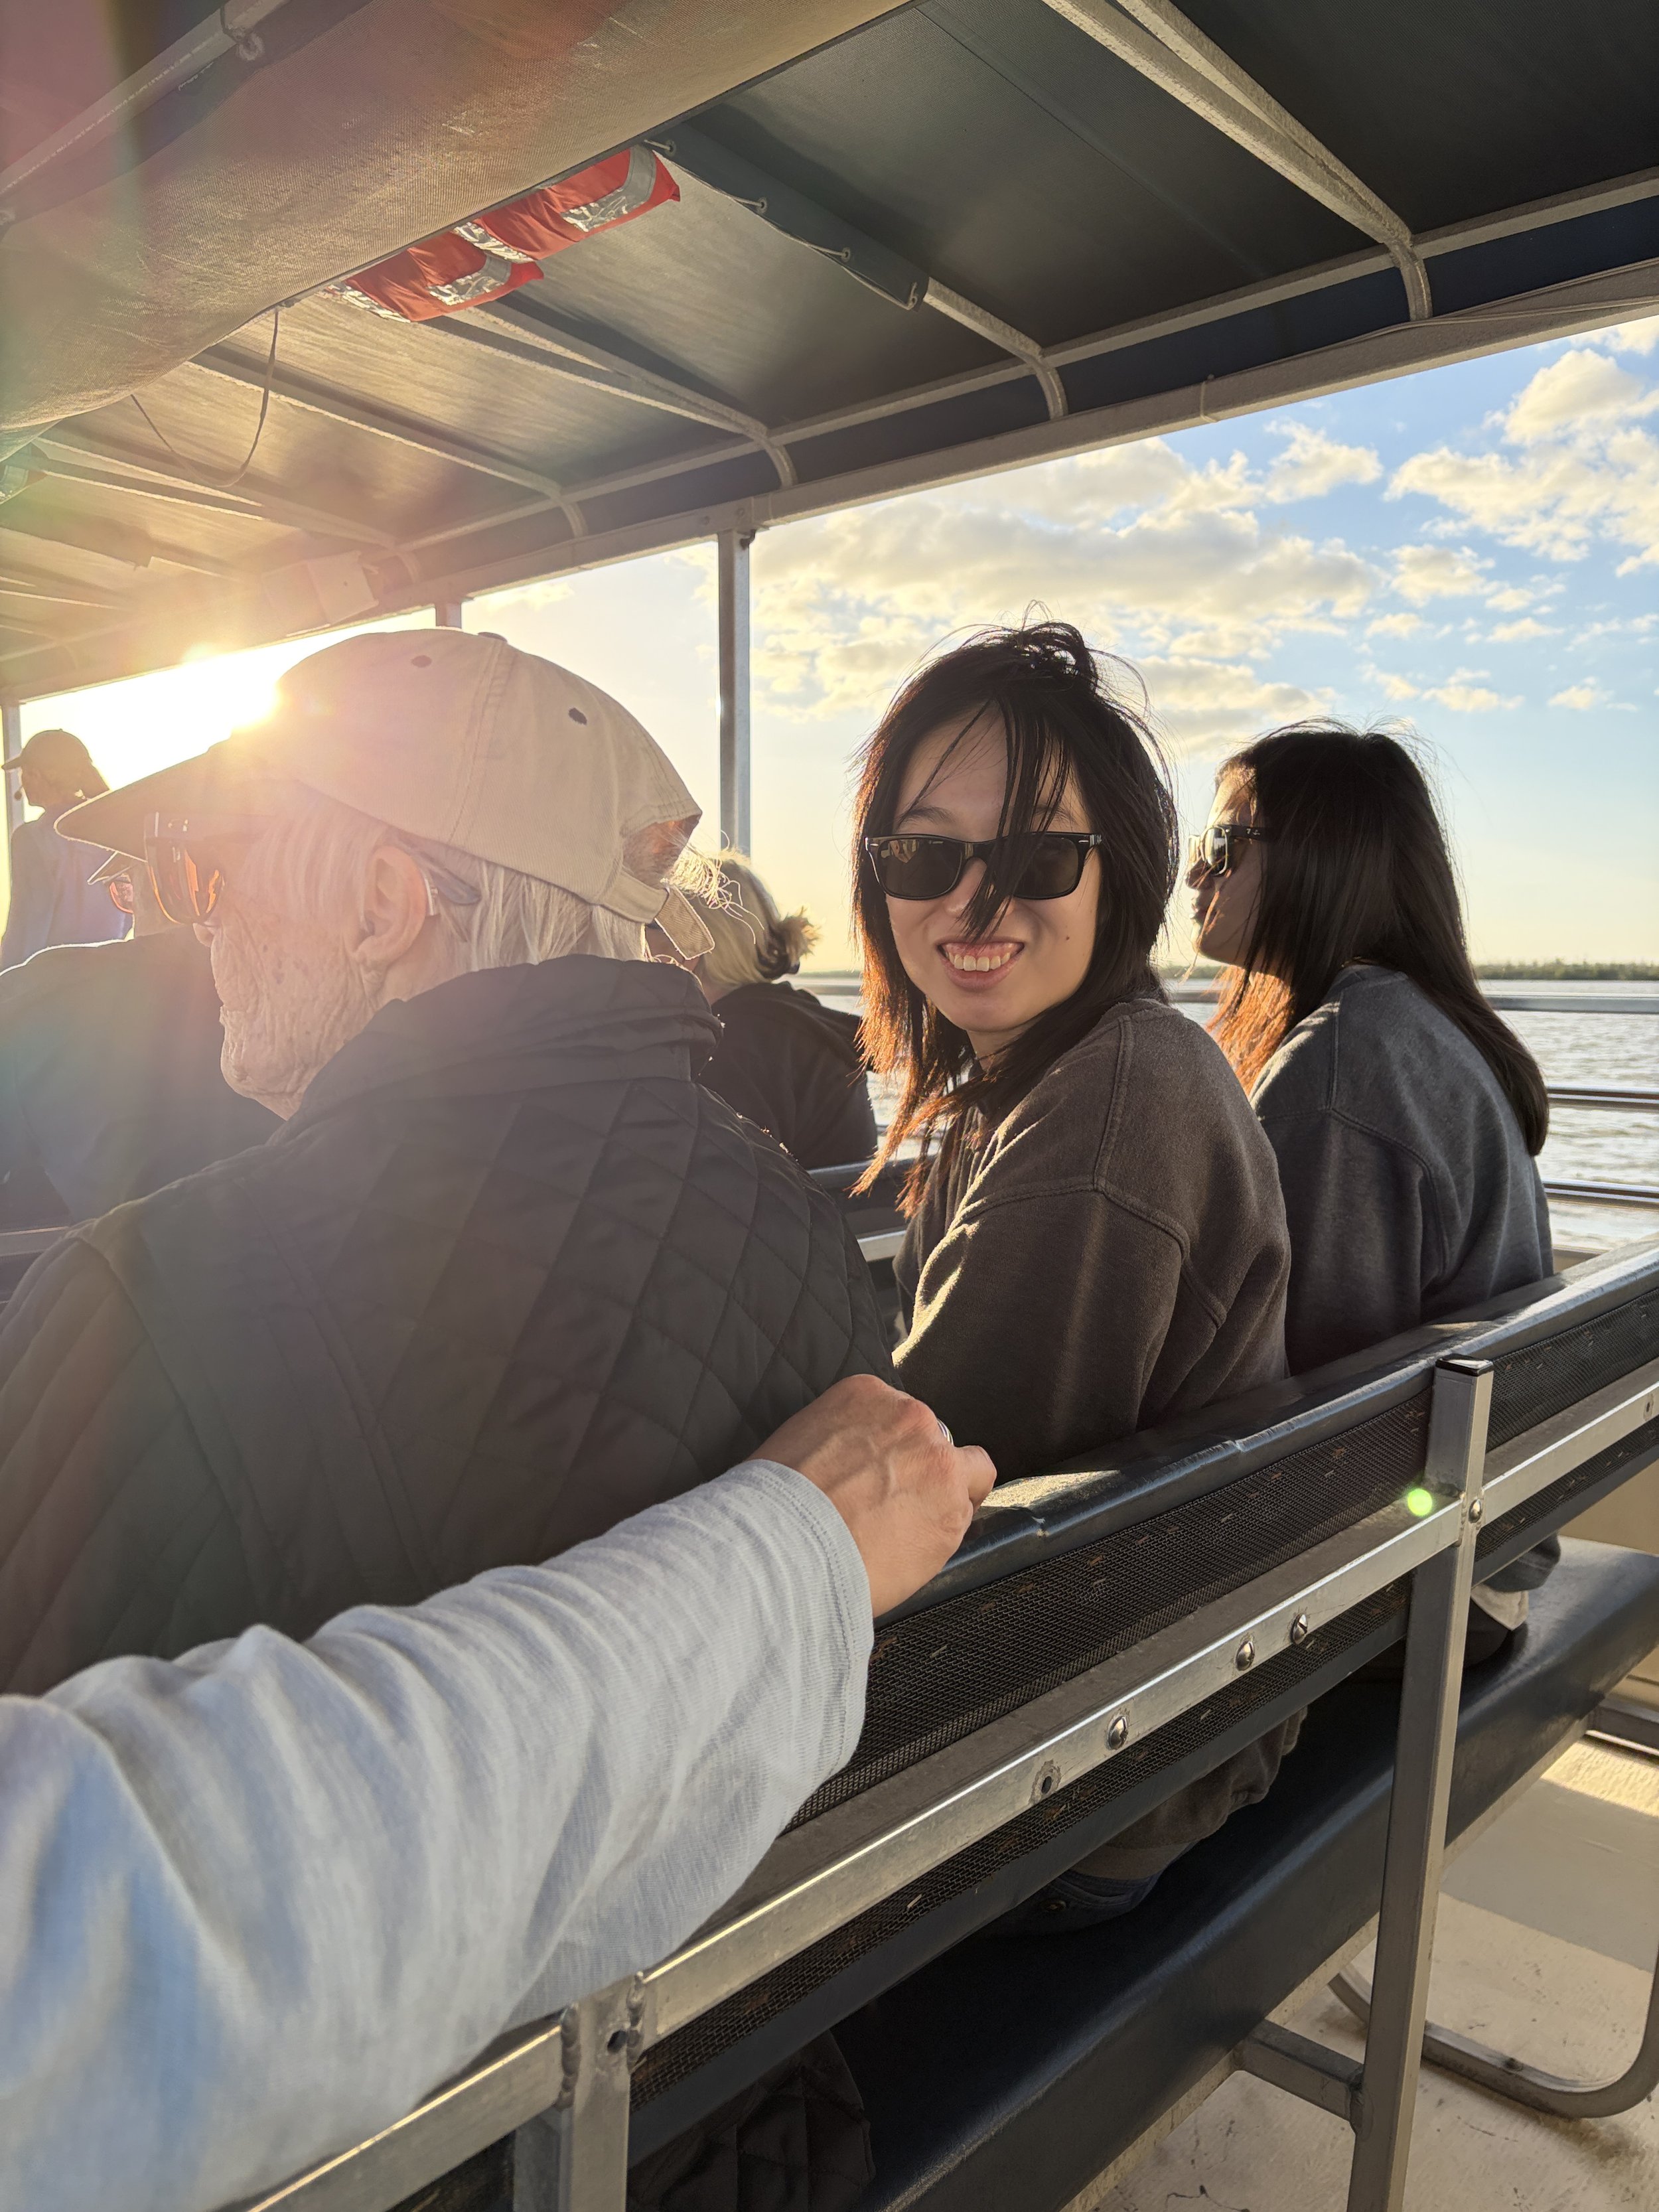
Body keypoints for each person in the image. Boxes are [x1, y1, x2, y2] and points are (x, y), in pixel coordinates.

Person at [0, 628, 893, 1696]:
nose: (202, 924)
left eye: (210, 871)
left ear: (382, 905)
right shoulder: (802, 1231)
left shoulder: (145, 1300)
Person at [0, 1376, 995, 2212]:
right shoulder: (816, 1299)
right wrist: (791, 1549)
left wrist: (791, 1548)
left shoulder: (124, 1329)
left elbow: (147, 1925)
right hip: (772, 2107)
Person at [853, 621, 1293, 1923]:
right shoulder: (1069, 1071)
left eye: (1038, 855)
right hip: (1125, 1698)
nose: (974, 905)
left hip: (1089, 1779)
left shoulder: (1107, 1107)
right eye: (924, 853)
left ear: (1124, 872)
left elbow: (921, 1498)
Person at [1190, 719, 1557, 1653]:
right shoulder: (1418, 1024)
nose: (1195, 872)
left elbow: (1299, 1409)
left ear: (1321, 860)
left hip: (1428, 1585)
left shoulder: (1339, 1069)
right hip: (1483, 1542)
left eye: (1224, 844)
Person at [0, 849, 277, 1227]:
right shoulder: (316, 984)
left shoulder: (43, 1000)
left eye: (125, 888)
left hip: (140, 1260)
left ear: (165, 879)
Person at [648, 849, 877, 1169]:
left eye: (648, 923)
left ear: (686, 945)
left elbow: (719, 1183)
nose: (634, 939)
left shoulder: (730, 1048)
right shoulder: (793, 1022)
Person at [0, 726, 129, 970]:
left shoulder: (32, 838)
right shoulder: (114, 834)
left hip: (51, 979)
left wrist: (5, 979)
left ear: (36, 775)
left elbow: (28, 926)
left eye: (24, 772)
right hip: (106, 974)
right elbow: (128, 914)